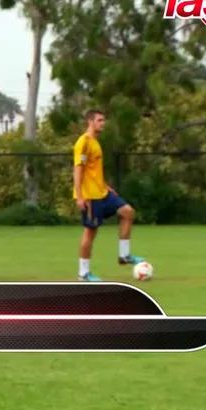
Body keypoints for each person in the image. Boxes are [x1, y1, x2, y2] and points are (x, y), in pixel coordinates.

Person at [73, 109, 144, 282]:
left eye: (103, 120)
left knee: (128, 212)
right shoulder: (83, 142)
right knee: (90, 233)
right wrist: (80, 197)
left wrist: (105, 186)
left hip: (103, 193)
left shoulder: (96, 142)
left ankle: (124, 255)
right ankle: (83, 273)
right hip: (91, 197)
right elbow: (78, 170)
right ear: (90, 121)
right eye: (99, 120)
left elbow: (93, 171)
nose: (103, 123)